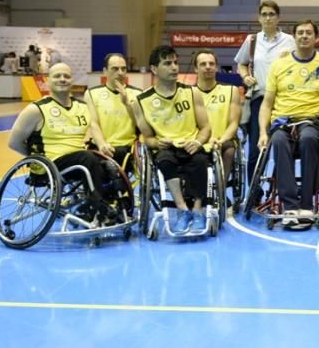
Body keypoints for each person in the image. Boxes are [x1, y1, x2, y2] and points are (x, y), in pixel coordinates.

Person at [7, 63, 115, 226]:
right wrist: (36, 159)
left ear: (72, 80)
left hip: (78, 162)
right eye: (57, 76)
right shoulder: (36, 110)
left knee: (108, 164)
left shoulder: (82, 107)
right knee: (87, 158)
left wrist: (103, 145)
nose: (62, 79)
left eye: (66, 76)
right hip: (50, 164)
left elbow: (94, 127)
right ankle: (98, 209)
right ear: (48, 81)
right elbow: (14, 142)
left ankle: (111, 206)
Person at [258, 20, 319, 228]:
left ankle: (306, 206)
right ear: (294, 37)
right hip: (283, 121)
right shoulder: (280, 64)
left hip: (311, 120)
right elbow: (267, 103)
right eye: (300, 33)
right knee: (278, 140)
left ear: (316, 37)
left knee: (309, 139)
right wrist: (262, 132)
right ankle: (290, 206)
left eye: (308, 33)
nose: (304, 36)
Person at [134, 46, 212, 233]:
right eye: (167, 63)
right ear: (154, 69)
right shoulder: (141, 101)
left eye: (175, 62)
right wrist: (156, 143)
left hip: (190, 144)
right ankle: (182, 208)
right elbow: (148, 138)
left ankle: (198, 210)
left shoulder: (192, 93)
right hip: (166, 148)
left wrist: (199, 142)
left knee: (201, 160)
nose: (174, 67)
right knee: (164, 160)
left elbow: (206, 128)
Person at [234, 0, 294, 179]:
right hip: (259, 99)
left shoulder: (290, 41)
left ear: (278, 18)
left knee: (283, 148)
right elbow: (241, 64)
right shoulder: (252, 40)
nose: (268, 18)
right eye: (264, 14)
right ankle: (255, 194)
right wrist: (245, 77)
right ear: (259, 18)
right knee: (256, 150)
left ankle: (277, 192)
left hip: (284, 101)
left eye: (272, 14)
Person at [194, 49, 243, 190]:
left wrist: (221, 141)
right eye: (203, 64)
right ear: (196, 68)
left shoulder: (231, 90)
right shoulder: (188, 93)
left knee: (228, 151)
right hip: (198, 141)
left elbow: (234, 123)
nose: (208, 67)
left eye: (211, 63)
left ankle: (220, 192)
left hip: (223, 139)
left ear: (216, 67)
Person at [84, 53, 141, 173]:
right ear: (105, 71)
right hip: (100, 146)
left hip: (126, 148)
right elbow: (93, 123)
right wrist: (102, 144)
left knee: (117, 156)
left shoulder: (137, 93)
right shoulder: (92, 93)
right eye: (115, 69)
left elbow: (140, 124)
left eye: (123, 69)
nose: (120, 72)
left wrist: (127, 103)